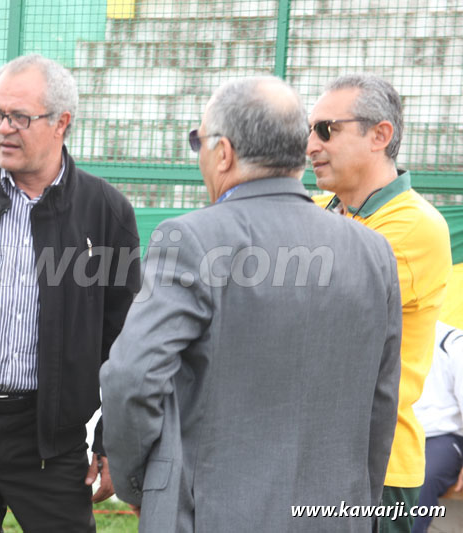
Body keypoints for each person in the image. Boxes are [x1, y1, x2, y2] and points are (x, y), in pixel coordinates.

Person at [100, 76, 402, 531]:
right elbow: (380, 406)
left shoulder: (192, 240)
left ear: (223, 152)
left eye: (198, 140)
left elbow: (132, 376)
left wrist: (142, 484)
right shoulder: (374, 251)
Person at [0, 54, 141, 532]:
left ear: (62, 123)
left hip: (50, 445)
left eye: (20, 117)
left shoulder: (105, 212)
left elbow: (124, 340)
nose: (4, 128)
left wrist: (111, 441)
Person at [308, 74, 452, 533]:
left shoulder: (417, 225)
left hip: (377, 469)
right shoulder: (321, 207)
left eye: (327, 130)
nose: (311, 145)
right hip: (313, 457)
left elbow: (311, 309)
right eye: (308, 131)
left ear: (381, 135)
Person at [412, 322, 463, 533]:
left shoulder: (452, 342)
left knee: (420, 478)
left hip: (442, 437)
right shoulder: (383, 335)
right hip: (396, 436)